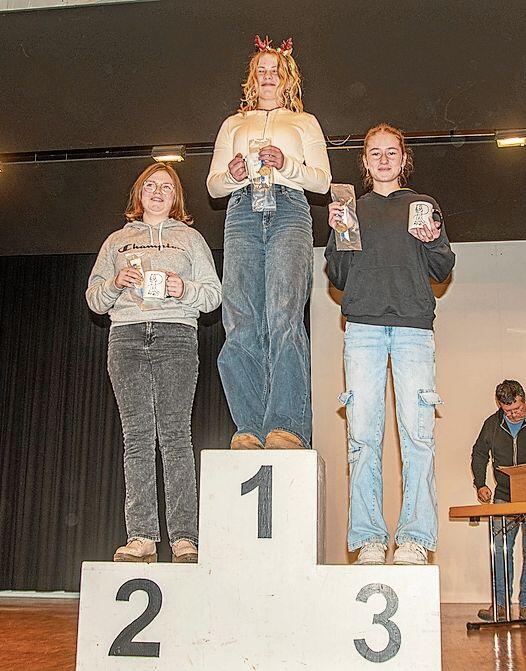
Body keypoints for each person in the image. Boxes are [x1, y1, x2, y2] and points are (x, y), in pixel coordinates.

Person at [325, 123, 455, 565]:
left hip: (414, 331)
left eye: (391, 152)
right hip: (361, 330)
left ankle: (415, 538)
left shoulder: (423, 205)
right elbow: (338, 278)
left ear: (404, 159)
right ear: (364, 162)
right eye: (374, 152)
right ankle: (369, 539)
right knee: (361, 438)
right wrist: (339, 236)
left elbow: (442, 269)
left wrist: (433, 238)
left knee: (418, 438)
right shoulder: (351, 208)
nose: (383, 159)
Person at [86, 163, 221, 563]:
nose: (158, 192)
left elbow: (214, 294)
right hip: (125, 336)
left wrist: (186, 289)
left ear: (176, 196)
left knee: (176, 436)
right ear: (138, 194)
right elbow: (94, 298)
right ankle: (142, 537)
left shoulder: (190, 239)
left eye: (166, 186)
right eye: (150, 186)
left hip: (176, 335)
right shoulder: (116, 241)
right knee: (138, 439)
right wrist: (114, 284)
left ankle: (184, 538)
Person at [206, 35, 331, 450]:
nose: (267, 76)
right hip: (242, 210)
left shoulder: (304, 122)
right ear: (251, 78)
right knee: (240, 319)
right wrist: (234, 173)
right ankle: (249, 425)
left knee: (283, 315)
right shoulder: (232, 124)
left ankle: (287, 425)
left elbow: (323, 180)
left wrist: (287, 163)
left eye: (274, 70)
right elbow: (213, 185)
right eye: (260, 70)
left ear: (287, 77)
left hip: (290, 209)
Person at [471, 379, 526, 621]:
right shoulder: (492, 425)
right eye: (508, 411)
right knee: (501, 551)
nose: (514, 414)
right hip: (504, 496)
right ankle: (501, 606)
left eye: (517, 409)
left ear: (523, 400)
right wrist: (481, 484)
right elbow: (479, 453)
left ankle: (525, 605)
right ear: (500, 406)